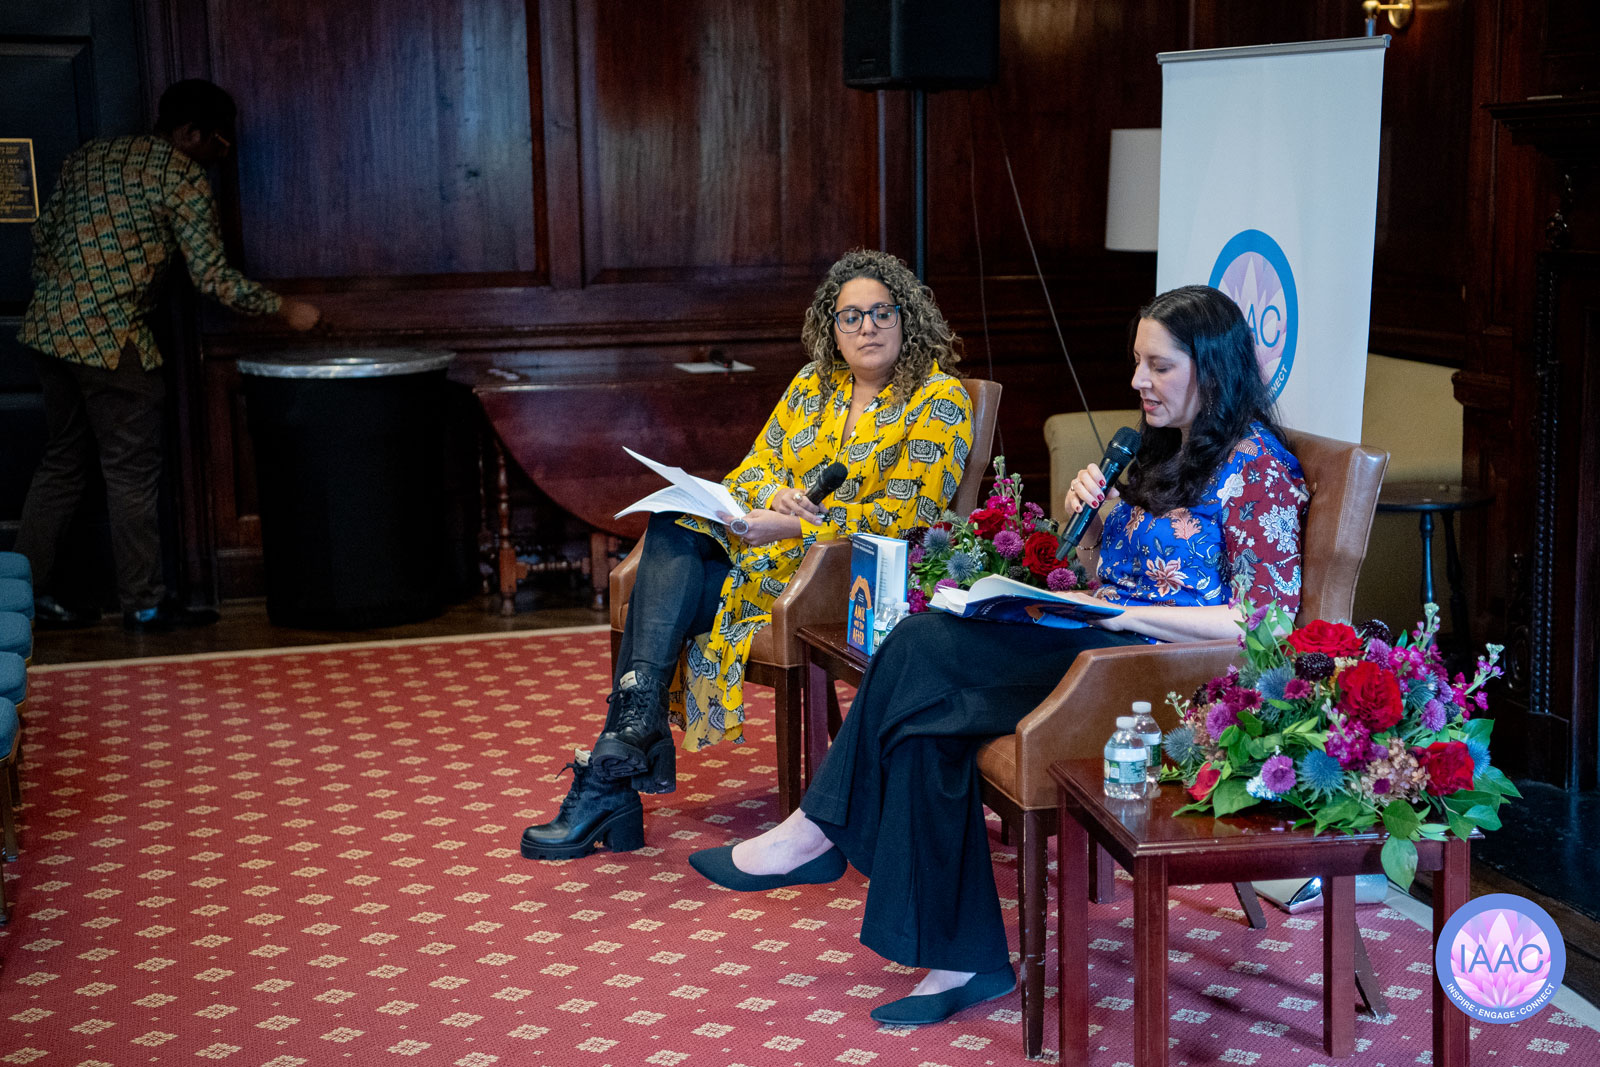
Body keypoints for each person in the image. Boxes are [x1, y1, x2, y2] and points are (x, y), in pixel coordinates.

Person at [688, 284, 1309, 1026]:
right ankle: (965, 961)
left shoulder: (1258, 469)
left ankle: (817, 831)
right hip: (1099, 640)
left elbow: (1264, 623)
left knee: (920, 654)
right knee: (924, 709)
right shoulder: (1162, 446)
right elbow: (1110, 570)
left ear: (1214, 368)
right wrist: (1093, 530)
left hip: (1157, 675)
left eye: (1159, 366)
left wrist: (1123, 612)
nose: (1138, 381)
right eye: (1138, 362)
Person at [522, 248, 974, 861]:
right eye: (850, 317)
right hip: (766, 565)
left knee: (665, 594)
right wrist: (775, 495)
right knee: (673, 522)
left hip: (849, 579)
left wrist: (791, 525)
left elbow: (909, 517)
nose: (867, 327)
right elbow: (753, 470)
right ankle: (629, 737)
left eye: (881, 313)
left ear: (906, 319)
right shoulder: (814, 384)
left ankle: (612, 778)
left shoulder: (939, 400)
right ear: (832, 328)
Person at [16, 79, 320, 632]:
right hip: (114, 342)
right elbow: (211, 277)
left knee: (61, 463)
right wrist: (285, 309)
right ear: (189, 133)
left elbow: (43, 236)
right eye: (219, 143)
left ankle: (21, 599)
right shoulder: (181, 176)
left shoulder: (91, 155)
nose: (222, 155)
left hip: (48, 330)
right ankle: (144, 604)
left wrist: (66, 295)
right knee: (130, 474)